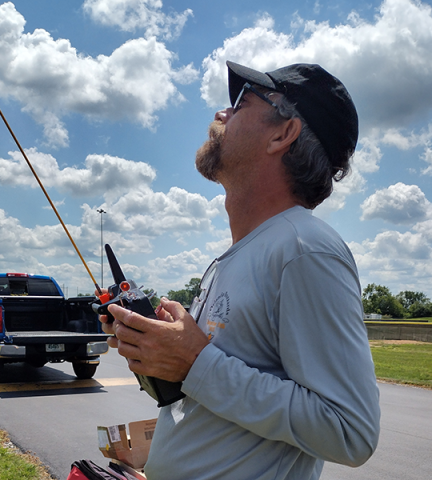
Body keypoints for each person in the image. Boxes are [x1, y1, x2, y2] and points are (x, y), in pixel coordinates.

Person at [99, 60, 381, 480]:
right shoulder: (241, 254)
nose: (220, 114)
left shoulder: (304, 249)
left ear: (283, 134)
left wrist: (194, 362)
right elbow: (219, 397)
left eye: (240, 103)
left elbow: (350, 431)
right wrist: (160, 354)